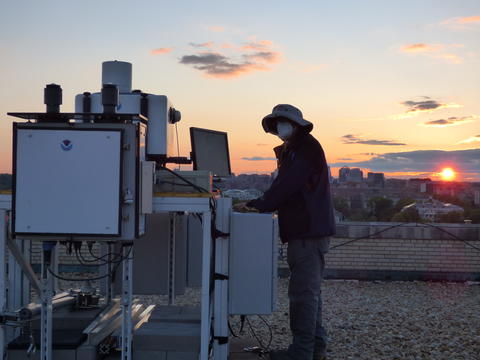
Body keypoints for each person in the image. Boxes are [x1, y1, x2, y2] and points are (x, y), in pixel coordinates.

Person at [241, 104, 336, 360]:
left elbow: (287, 185)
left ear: (295, 125)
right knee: (309, 293)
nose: (279, 128)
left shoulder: (304, 149)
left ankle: (302, 353)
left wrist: (258, 205)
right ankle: (314, 349)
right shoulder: (295, 150)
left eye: (282, 122)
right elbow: (285, 184)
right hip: (305, 231)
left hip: (307, 232)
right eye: (276, 123)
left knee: (303, 295)